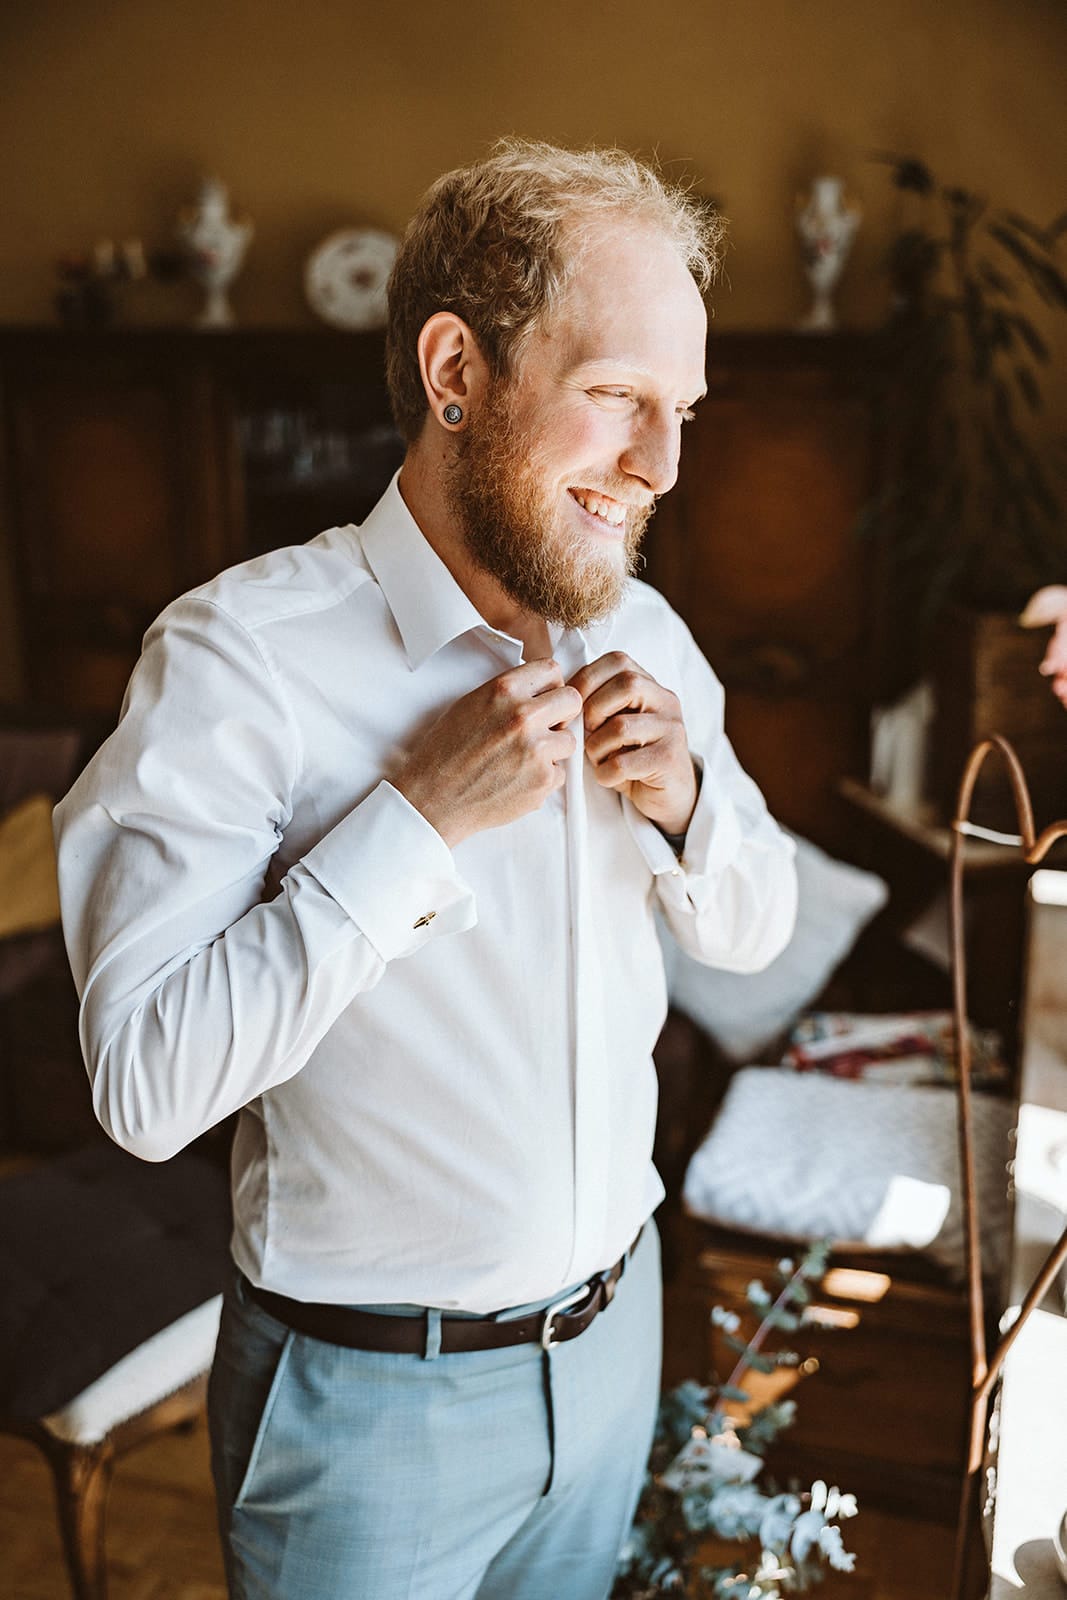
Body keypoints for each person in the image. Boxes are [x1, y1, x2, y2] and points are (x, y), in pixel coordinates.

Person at [55, 140, 798, 1600]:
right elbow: (142, 1087)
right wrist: (411, 821)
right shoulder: (235, 661)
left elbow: (755, 928)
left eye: (682, 412)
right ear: (456, 370)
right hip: (367, 1406)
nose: (662, 465)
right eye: (617, 398)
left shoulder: (648, 642)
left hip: (609, 1353)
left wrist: (693, 805)